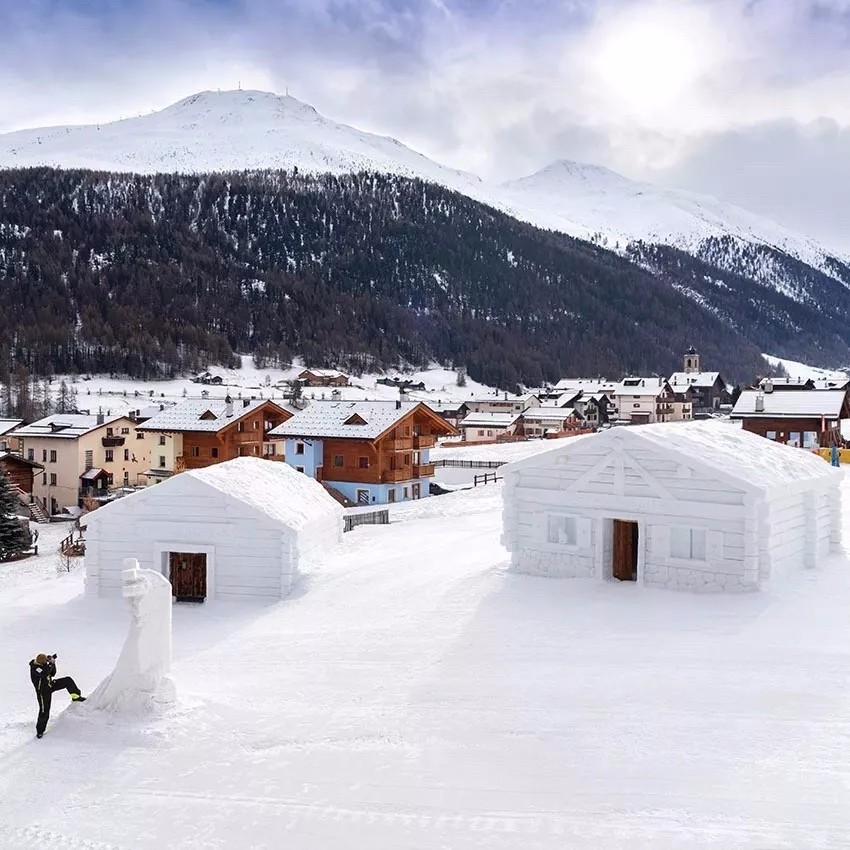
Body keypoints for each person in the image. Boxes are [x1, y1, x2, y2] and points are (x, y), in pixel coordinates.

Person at [30, 652, 86, 739]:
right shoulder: (35, 668)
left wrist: (52, 663)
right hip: (43, 692)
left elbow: (52, 674)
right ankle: (40, 731)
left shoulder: (43, 665)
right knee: (44, 711)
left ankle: (76, 697)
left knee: (68, 680)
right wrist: (50, 664)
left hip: (50, 685)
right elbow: (44, 673)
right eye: (45, 661)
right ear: (41, 662)